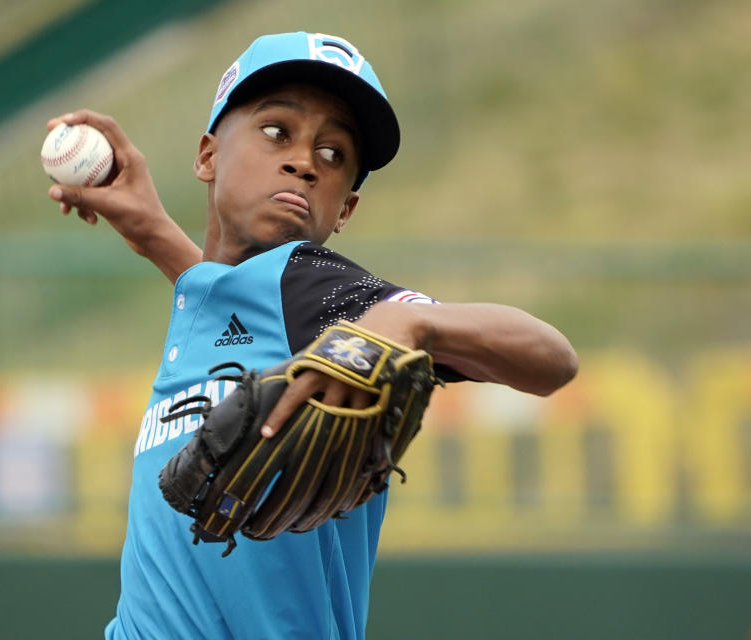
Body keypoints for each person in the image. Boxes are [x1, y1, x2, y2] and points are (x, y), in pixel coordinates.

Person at [45, 31, 578, 640]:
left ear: (343, 210)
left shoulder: (312, 284)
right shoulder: (215, 296)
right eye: (277, 131)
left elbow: (552, 358)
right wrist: (153, 232)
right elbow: (232, 298)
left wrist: (411, 321)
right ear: (207, 156)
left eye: (333, 154)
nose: (304, 161)